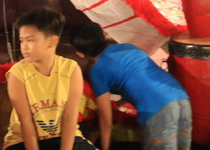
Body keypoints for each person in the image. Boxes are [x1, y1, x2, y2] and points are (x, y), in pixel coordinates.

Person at [70, 22, 191, 150]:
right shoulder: (127, 47)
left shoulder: (97, 71)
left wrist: (105, 147)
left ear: (79, 53)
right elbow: (138, 78)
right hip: (181, 98)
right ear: (104, 35)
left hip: (157, 108)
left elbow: (106, 120)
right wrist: (121, 103)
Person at [3, 8, 95, 150]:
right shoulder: (18, 74)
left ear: (52, 41)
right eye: (22, 40)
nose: (24, 46)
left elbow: (70, 118)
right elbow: (26, 122)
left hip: (64, 137)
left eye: (30, 40)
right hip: (22, 141)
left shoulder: (71, 69)